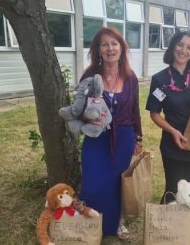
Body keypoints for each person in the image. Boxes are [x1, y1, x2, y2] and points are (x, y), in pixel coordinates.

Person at [77, 27, 142, 240]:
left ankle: (114, 223)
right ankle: (89, 221)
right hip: (96, 138)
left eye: (114, 43)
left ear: (122, 48)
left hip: (123, 137)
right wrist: (88, 117)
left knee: (116, 183)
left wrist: (138, 137)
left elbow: (135, 109)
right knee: (92, 182)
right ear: (98, 50)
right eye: (104, 44)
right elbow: (78, 107)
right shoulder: (89, 75)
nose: (110, 48)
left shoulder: (131, 77)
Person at [145, 30, 190, 204]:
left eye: (189, 47)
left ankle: (182, 229)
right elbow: (154, 113)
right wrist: (172, 131)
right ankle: (163, 229)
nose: (183, 50)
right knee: (173, 190)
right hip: (173, 144)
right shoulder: (160, 80)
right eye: (180, 44)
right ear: (173, 46)